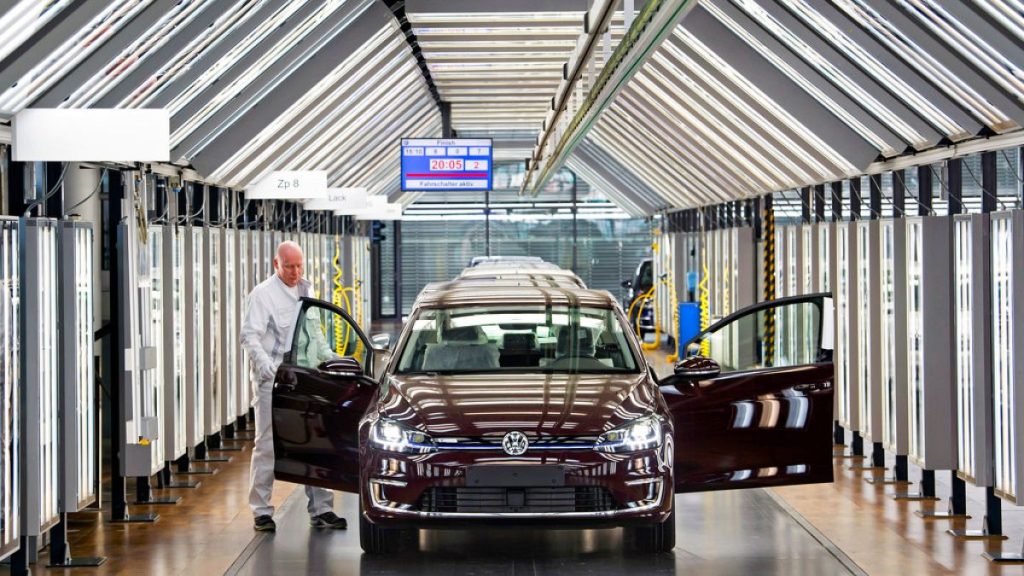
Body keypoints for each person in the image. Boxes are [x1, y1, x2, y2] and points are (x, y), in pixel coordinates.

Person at [240, 240, 347, 532]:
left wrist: (335, 361)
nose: (295, 271)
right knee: (267, 446)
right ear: (277, 264)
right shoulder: (263, 295)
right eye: (289, 266)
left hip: (307, 379)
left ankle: (322, 510)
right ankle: (261, 511)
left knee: (316, 440)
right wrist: (269, 371)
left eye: (299, 265)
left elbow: (315, 333)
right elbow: (249, 336)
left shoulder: (306, 290)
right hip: (273, 384)